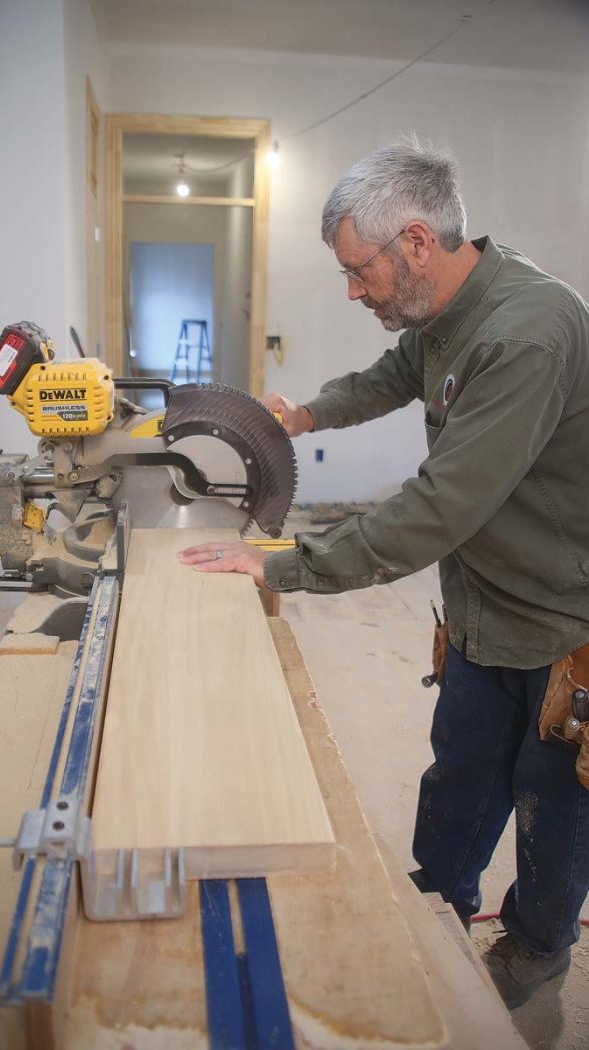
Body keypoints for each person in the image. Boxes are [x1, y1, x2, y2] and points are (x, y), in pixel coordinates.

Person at [178, 136, 589, 1009]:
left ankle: (540, 947)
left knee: (551, 807)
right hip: (482, 607)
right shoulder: (446, 309)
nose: (353, 291)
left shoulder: (529, 332)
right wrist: (306, 412)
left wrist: (280, 561)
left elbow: (436, 510)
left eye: (359, 272)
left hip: (565, 622)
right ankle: (437, 912)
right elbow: (393, 376)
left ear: (414, 242)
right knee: (459, 780)